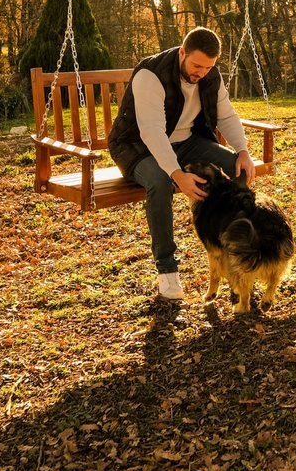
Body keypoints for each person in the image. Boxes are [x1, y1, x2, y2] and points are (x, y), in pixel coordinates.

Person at [108, 27, 255, 300]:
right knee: (160, 182)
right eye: (196, 64)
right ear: (182, 52)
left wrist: (243, 150)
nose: (201, 72)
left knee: (237, 166)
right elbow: (152, 131)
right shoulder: (150, 75)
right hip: (137, 146)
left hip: (187, 141)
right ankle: (167, 271)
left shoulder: (211, 76)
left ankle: (236, 251)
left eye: (208, 67)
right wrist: (176, 173)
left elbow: (226, 115)